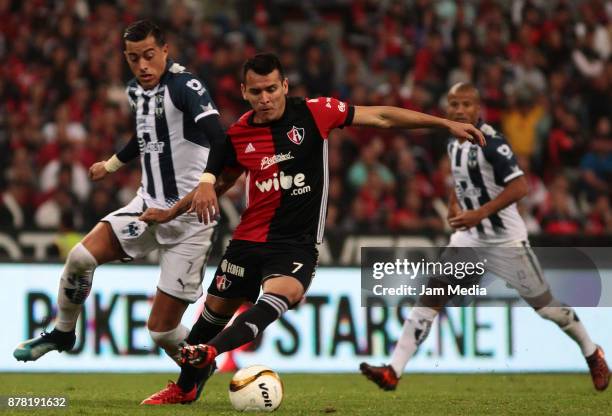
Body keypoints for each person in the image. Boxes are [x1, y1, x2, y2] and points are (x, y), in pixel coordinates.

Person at [138, 53, 485, 404]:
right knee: (212, 315)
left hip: (295, 244)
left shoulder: (315, 112)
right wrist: (170, 213)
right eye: (256, 91)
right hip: (247, 240)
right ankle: (186, 387)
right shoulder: (240, 133)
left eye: (272, 89)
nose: (265, 98)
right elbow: (216, 186)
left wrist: (444, 124)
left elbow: (380, 115)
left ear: (285, 86)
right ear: (244, 91)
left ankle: (211, 354)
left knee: (282, 294)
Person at [14, 20, 226, 402]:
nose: (142, 66)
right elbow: (145, 137)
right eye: (133, 59)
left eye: (149, 56)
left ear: (164, 50)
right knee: (80, 258)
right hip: (146, 207)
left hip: (190, 220)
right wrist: (111, 165)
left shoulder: (186, 87)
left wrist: (209, 181)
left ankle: (197, 365)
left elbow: (219, 137)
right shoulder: (135, 92)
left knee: (161, 332)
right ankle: (63, 332)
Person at [359, 83, 610, 392]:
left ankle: (591, 351)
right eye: (454, 104)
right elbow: (461, 180)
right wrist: (455, 203)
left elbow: (520, 187)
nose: (460, 110)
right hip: (469, 240)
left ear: (478, 110)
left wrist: (478, 213)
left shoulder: (493, 144)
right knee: (430, 298)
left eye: (466, 104)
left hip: (505, 242)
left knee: (546, 308)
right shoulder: (454, 142)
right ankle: (393, 370)